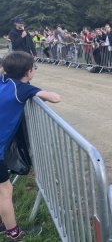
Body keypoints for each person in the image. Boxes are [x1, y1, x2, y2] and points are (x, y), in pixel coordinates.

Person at [0, 51, 61, 240]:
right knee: (5, 190)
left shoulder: (3, 81)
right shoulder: (21, 89)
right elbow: (54, 97)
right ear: (28, 72)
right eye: (34, 68)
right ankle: (13, 233)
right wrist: (35, 90)